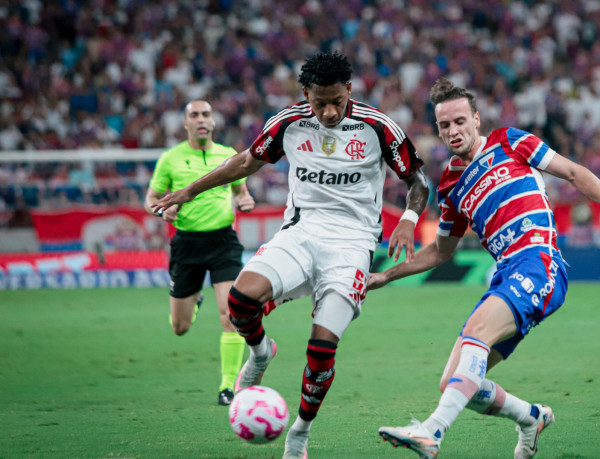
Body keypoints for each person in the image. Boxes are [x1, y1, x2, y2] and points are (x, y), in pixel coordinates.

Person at [152, 51, 429, 459]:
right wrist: (192, 189)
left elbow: (417, 180)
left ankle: (299, 433)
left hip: (353, 245)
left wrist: (408, 217)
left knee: (321, 348)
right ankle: (261, 351)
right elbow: (247, 161)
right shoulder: (288, 122)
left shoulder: (377, 126)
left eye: (337, 100)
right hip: (300, 232)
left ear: (349, 90)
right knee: (240, 300)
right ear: (306, 95)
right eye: (320, 103)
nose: (330, 111)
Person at [369, 78, 600, 459]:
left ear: (476, 119)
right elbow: (441, 251)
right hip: (507, 272)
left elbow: (572, 172)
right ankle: (531, 417)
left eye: (460, 121)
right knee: (453, 383)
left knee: (475, 333)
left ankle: (432, 432)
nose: (453, 131)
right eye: (444, 126)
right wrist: (386, 275)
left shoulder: (509, 141)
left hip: (540, 262)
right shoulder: (452, 183)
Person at [144, 100, 255, 406]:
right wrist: (159, 212)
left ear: (213, 122)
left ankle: (227, 387)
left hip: (223, 243)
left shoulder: (228, 156)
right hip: (187, 245)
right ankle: (193, 305)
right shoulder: (171, 159)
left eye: (206, 114)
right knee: (180, 328)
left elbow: (240, 190)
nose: (201, 119)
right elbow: (152, 198)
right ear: (185, 123)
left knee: (231, 316)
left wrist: (245, 199)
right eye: (195, 115)